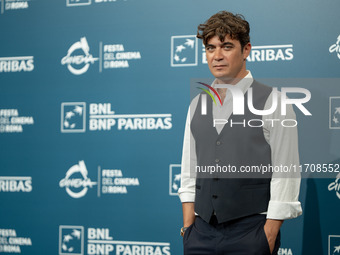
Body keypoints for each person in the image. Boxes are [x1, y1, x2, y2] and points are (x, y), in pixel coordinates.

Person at [178, 11, 302, 255]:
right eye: (211, 48)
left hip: (250, 234)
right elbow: (189, 171)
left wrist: (267, 235)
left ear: (246, 50)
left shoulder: (273, 102)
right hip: (200, 234)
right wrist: (188, 229)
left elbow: (285, 173)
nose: (218, 56)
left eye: (226, 46)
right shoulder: (196, 106)